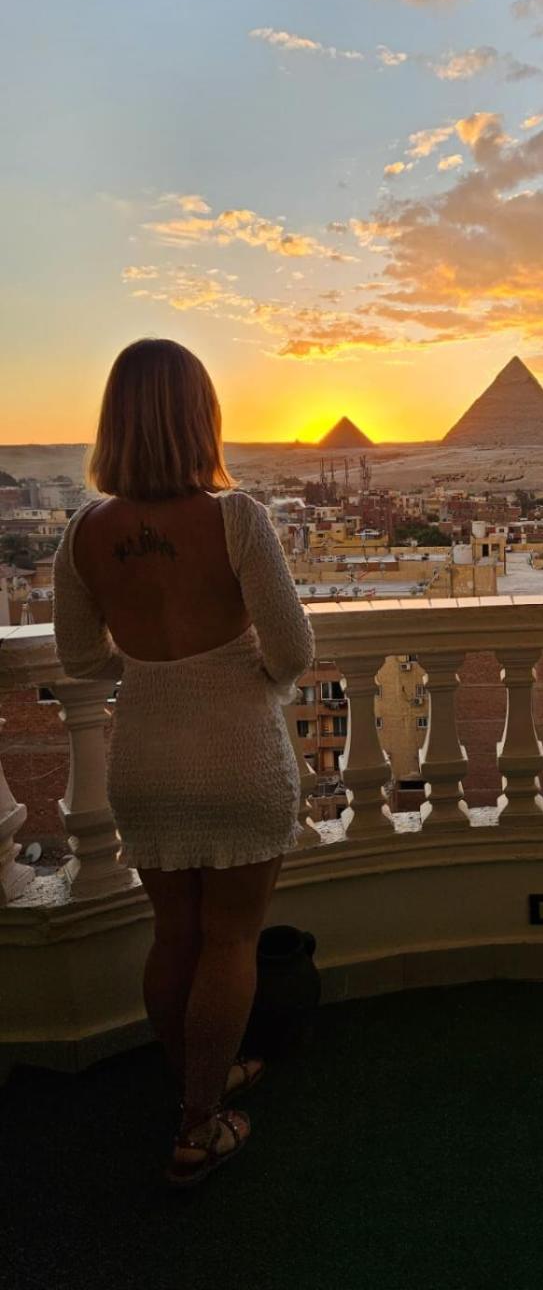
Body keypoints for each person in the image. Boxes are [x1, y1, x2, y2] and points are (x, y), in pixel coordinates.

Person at [51, 337, 315, 1188]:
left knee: (174, 935)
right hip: (238, 754)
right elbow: (293, 649)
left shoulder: (83, 533)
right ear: (201, 416)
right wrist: (237, 677)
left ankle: (193, 1082)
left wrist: (153, 671)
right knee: (231, 939)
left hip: (145, 760)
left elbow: (81, 660)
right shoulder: (237, 518)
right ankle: (200, 1124)